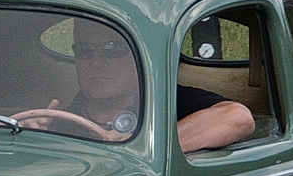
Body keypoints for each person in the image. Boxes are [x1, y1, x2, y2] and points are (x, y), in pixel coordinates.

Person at [23, 19, 255, 151]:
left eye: (112, 51)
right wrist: (27, 137)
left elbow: (237, 118)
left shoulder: (169, 103)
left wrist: (143, 144)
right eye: (84, 52)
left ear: (140, 57)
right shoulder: (59, 121)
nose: (97, 62)